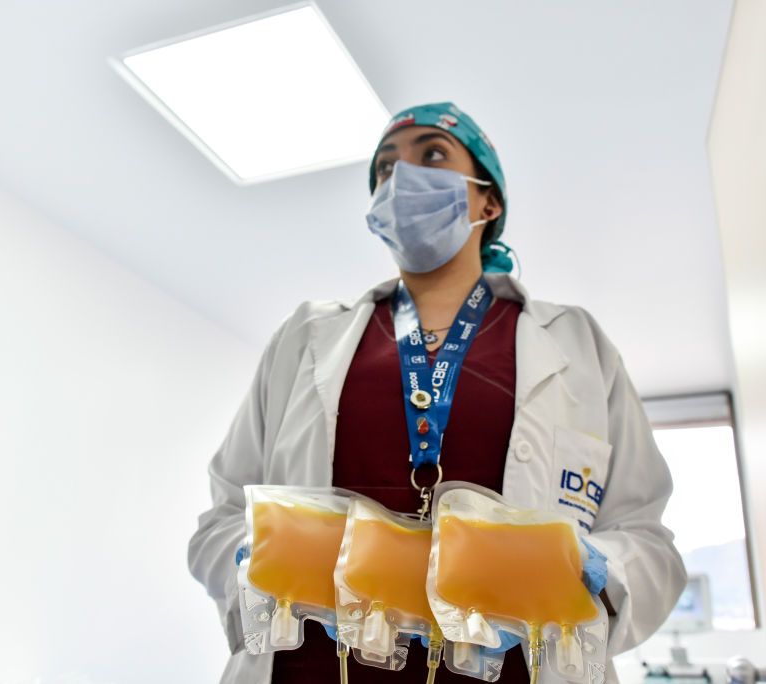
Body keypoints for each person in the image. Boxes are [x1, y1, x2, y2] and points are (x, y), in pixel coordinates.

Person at [187, 102, 687, 684]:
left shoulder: (576, 344)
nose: (401, 178)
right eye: (384, 168)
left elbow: (647, 539)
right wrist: (254, 556)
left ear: (487, 200)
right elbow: (222, 517)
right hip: (314, 667)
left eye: (431, 155)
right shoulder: (305, 337)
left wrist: (597, 570)